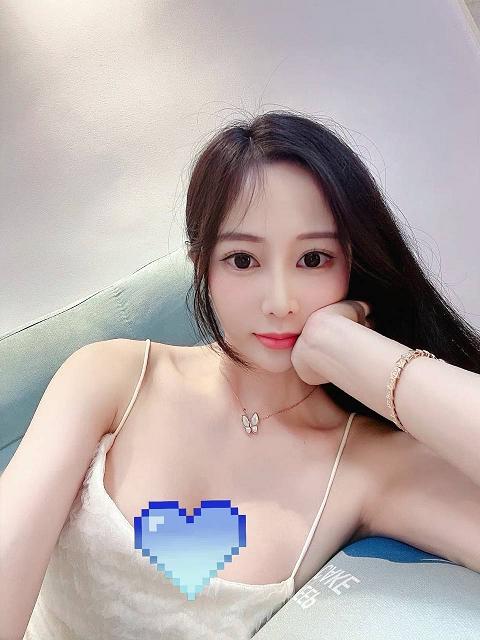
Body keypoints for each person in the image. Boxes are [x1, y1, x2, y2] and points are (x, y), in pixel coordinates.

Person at [3, 110, 480, 640]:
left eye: (314, 258)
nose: (279, 302)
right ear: (201, 264)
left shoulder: (370, 464)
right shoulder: (113, 377)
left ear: (354, 264)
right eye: (243, 260)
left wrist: (359, 353)